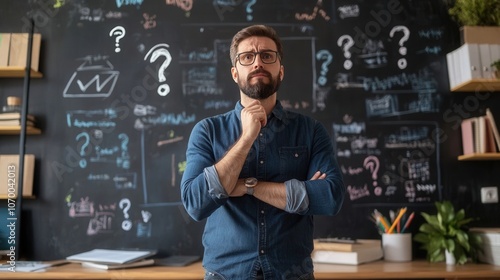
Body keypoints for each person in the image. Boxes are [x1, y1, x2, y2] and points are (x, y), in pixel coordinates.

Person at [180, 24, 345, 280]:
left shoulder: (310, 131)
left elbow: (330, 197)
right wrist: (246, 138)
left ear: (281, 70)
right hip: (225, 275)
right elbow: (196, 203)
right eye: (248, 57)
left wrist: (247, 186)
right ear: (235, 73)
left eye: (267, 56)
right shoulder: (207, 131)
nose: (258, 63)